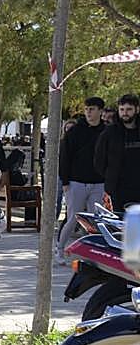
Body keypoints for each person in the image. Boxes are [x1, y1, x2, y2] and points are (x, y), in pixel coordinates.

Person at [57, 97, 106, 259]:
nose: (88, 112)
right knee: (73, 218)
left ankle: (93, 253)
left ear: (100, 111)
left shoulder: (106, 131)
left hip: (98, 183)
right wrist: (65, 181)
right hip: (76, 182)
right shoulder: (75, 131)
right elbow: (65, 157)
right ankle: (60, 249)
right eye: (86, 109)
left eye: (92, 109)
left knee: (95, 221)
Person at [95, 93, 140, 211]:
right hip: (117, 189)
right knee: (118, 220)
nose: (125, 113)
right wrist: (111, 175)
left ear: (137, 109)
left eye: (129, 109)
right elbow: (99, 161)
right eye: (122, 109)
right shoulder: (109, 133)